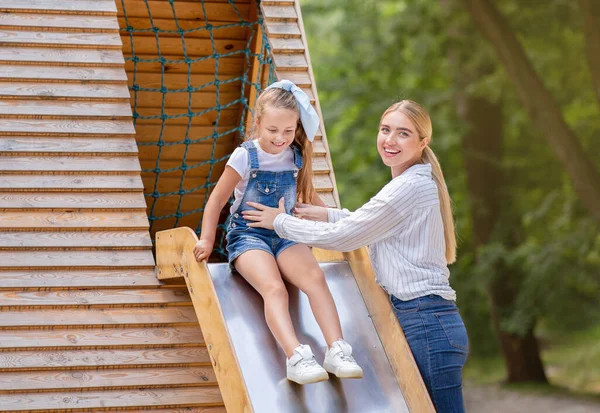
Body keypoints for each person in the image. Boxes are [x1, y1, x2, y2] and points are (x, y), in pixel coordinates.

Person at [242, 100, 469, 412]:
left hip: (425, 322)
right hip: (425, 319)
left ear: (423, 142)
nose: (390, 140)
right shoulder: (413, 181)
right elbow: (371, 221)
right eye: (385, 130)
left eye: (403, 133)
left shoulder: (407, 187)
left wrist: (280, 222)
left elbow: (349, 236)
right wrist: (326, 214)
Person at [193, 80, 363, 385]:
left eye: (288, 131)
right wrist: (206, 239)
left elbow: (308, 197)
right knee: (274, 288)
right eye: (273, 130)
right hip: (249, 236)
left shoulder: (295, 155)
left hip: (285, 234)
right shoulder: (245, 156)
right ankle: (296, 355)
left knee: (314, 278)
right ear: (258, 123)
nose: (281, 138)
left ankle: (337, 349)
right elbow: (217, 200)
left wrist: (335, 223)